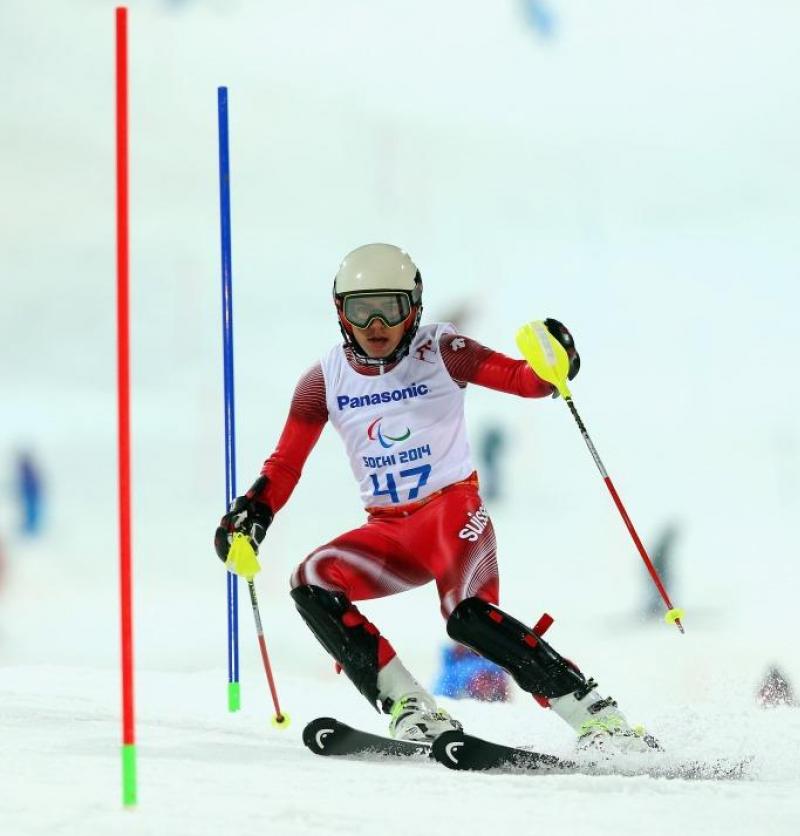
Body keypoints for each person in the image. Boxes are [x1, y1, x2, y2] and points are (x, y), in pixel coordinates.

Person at [214, 243, 656, 753]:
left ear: (415, 307)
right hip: (388, 533)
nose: (376, 323)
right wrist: (252, 514)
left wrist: (557, 361)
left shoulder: (442, 350)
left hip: (452, 515)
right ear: (341, 312)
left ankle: (596, 716)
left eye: (391, 307)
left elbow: (524, 380)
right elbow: (285, 464)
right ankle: (408, 705)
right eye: (361, 310)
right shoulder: (322, 381)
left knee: (466, 617)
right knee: (310, 582)